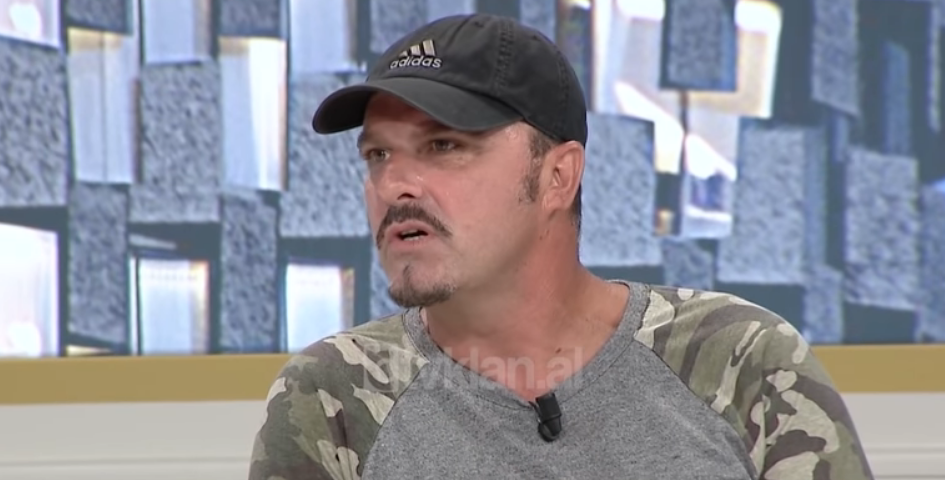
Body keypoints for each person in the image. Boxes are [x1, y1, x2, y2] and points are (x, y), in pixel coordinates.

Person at [248, 13, 873, 480]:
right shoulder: (333, 394)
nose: (395, 185)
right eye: (379, 155)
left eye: (444, 146)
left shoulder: (741, 359)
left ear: (557, 177)